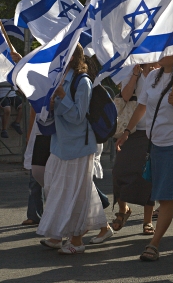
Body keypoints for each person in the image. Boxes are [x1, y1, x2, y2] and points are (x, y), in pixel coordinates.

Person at [116, 42, 173, 261]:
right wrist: (127, 131)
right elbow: (142, 107)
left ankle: (154, 244)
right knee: (166, 195)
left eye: (167, 52)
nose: (160, 53)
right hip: (155, 145)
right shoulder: (152, 77)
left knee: (166, 197)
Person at [37, 44, 108, 254]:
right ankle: (58, 234)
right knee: (53, 187)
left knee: (75, 193)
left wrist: (62, 96)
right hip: (60, 144)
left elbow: (78, 116)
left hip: (78, 145)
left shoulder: (82, 81)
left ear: (72, 57)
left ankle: (76, 240)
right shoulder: (58, 79)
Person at [112, 63, 158, 235]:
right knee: (119, 171)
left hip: (152, 131)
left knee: (148, 176)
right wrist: (136, 76)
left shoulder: (161, 74)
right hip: (131, 130)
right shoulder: (131, 70)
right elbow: (124, 96)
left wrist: (153, 75)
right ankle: (123, 209)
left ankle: (147, 221)